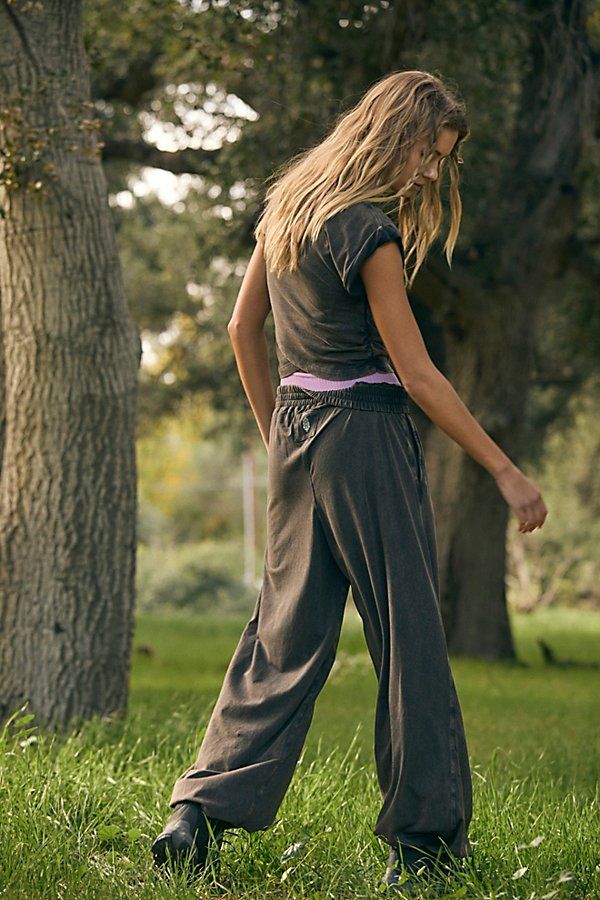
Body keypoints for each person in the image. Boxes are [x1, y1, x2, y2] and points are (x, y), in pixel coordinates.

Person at [151, 69, 548, 895]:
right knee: (409, 640)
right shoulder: (368, 230)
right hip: (365, 437)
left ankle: (197, 813)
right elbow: (417, 374)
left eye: (441, 163)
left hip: (298, 435)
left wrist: (277, 438)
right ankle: (426, 844)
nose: (432, 174)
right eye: (428, 155)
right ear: (394, 133)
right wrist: (506, 471)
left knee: (281, 638)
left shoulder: (290, 203)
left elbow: (241, 328)